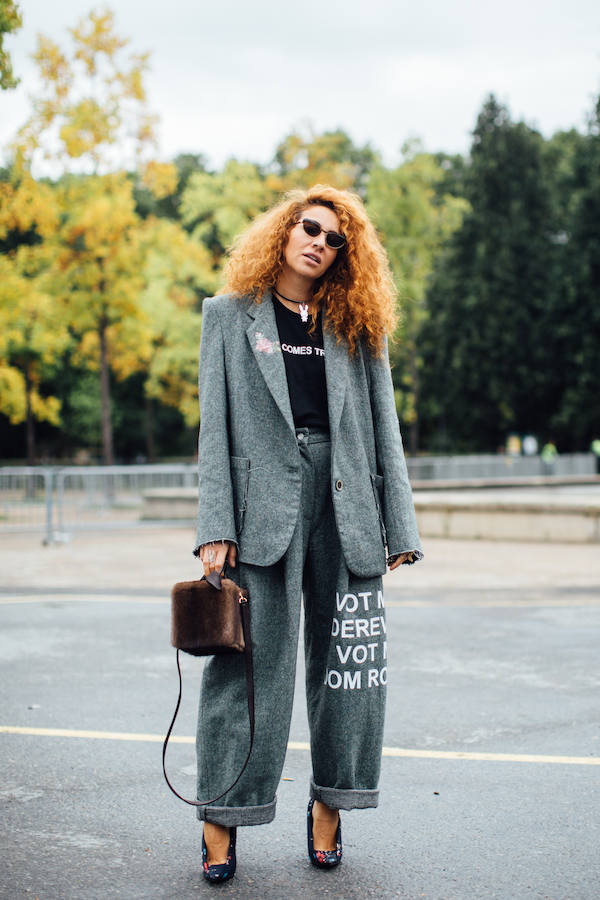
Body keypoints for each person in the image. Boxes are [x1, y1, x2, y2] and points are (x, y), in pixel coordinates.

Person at [193, 184, 423, 883]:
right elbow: (214, 429)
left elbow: (385, 430)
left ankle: (331, 808)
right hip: (260, 508)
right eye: (310, 228)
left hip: (346, 504)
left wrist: (399, 524)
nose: (320, 243)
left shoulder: (357, 325)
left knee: (350, 672)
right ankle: (221, 820)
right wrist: (215, 525)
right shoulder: (228, 318)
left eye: (335, 239)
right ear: (283, 233)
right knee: (246, 670)